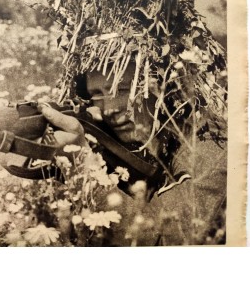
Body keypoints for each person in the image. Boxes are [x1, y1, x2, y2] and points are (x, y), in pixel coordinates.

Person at [37, 61, 227, 246]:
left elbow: (165, 240)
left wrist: (82, 162)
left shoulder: (212, 144)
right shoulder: (146, 140)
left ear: (164, 86)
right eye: (97, 94)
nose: (109, 109)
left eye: (121, 90)